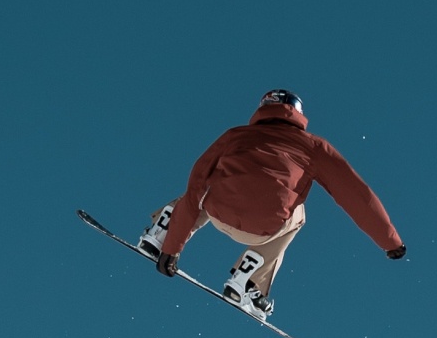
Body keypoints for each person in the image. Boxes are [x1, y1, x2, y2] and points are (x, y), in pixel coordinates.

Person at [139, 88, 405, 321]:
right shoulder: (314, 147)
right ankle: (248, 283)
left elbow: (196, 184)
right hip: (265, 227)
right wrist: (390, 241)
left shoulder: (235, 135)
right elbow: (357, 196)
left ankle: (160, 234)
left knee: (205, 190)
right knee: (298, 216)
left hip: (217, 210)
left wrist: (173, 248)